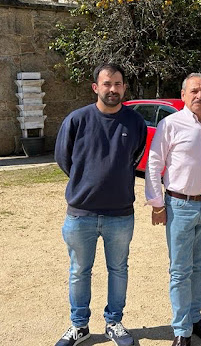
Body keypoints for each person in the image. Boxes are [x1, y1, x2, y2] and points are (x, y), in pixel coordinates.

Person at [54, 63, 147, 346]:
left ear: (124, 88)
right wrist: (86, 181)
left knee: (118, 270)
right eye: (107, 84)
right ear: (96, 87)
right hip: (81, 213)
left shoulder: (135, 123)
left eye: (118, 84)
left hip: (120, 214)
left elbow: (135, 157)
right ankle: (79, 326)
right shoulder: (77, 120)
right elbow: (63, 158)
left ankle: (114, 322)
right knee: (79, 271)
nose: (112, 89)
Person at [145, 73, 201, 346]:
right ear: (183, 95)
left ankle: (194, 317)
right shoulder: (170, 124)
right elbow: (154, 164)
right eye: (193, 91)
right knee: (180, 270)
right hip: (179, 205)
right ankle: (181, 330)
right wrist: (157, 204)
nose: (199, 96)